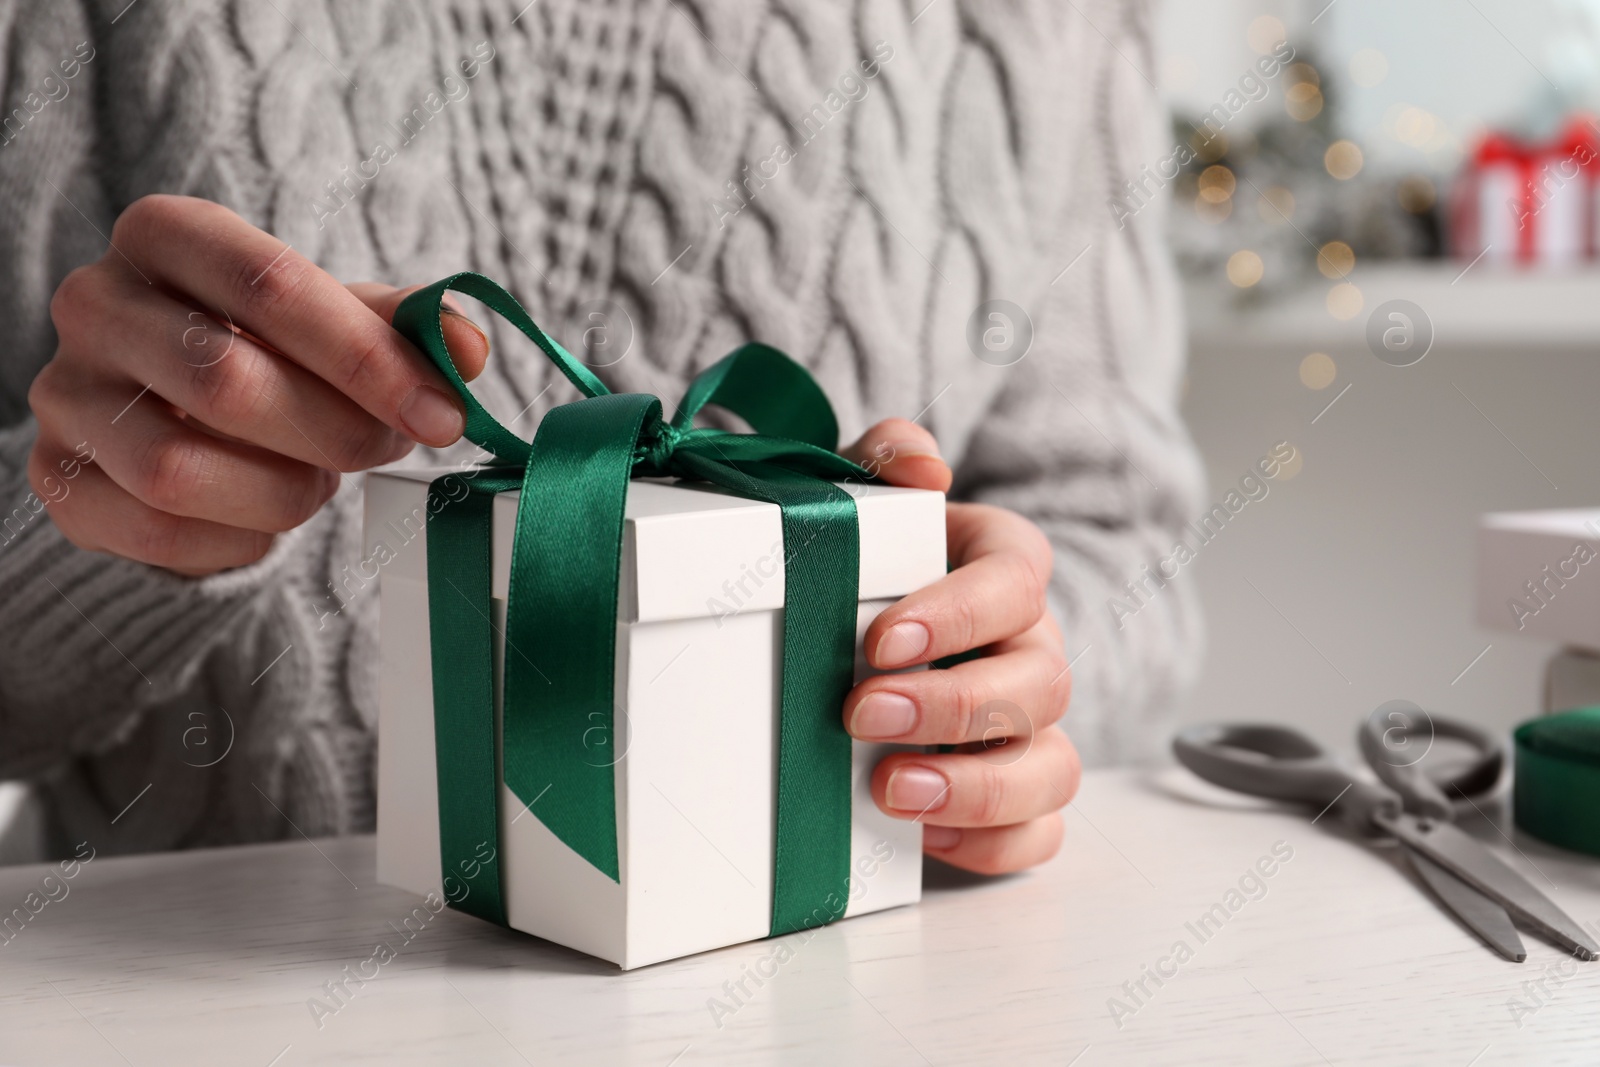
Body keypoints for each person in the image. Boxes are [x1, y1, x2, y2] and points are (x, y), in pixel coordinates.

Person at [0, 0, 1201, 875]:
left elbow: (1121, 543)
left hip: (838, 1004)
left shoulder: (1051, 28)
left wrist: (996, 681)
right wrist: (98, 528)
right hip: (174, 1006)